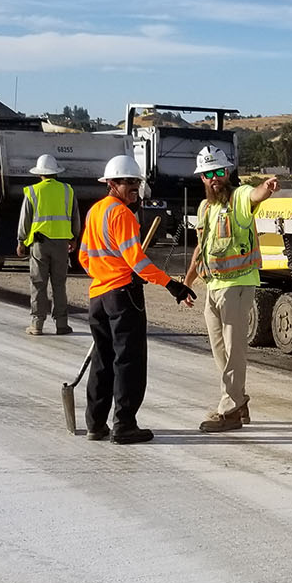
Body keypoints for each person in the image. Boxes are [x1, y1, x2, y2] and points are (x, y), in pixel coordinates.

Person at [78, 154, 196, 444]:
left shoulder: (96, 211)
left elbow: (83, 256)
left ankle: (96, 424)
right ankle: (124, 425)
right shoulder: (122, 214)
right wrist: (172, 285)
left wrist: (103, 273)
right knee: (128, 361)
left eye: (136, 182)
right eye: (127, 182)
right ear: (112, 184)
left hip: (99, 295)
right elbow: (137, 261)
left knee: (103, 361)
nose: (134, 187)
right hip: (122, 296)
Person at [180, 146, 281, 433]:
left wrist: (267, 188)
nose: (214, 178)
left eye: (218, 172)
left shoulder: (238, 197)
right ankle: (239, 401)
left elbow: (255, 194)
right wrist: (186, 284)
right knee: (220, 349)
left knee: (234, 349)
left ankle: (230, 410)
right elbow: (201, 249)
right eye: (208, 173)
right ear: (202, 178)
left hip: (238, 285)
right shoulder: (205, 208)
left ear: (227, 173)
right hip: (213, 286)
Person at [17, 154, 79, 336]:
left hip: (39, 244)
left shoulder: (33, 191)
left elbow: (25, 219)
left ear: (40, 174)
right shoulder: (68, 191)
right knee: (59, 284)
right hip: (61, 244)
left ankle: (37, 324)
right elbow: (75, 216)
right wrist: (74, 238)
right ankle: (62, 324)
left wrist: (21, 241)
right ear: (56, 173)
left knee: (38, 283)